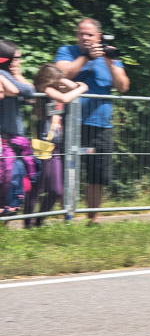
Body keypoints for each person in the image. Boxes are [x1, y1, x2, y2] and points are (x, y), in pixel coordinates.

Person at [54, 17, 130, 222]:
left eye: (89, 34)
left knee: (98, 173)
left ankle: (92, 219)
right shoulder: (67, 51)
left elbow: (123, 86)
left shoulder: (109, 56)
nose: (85, 37)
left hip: (101, 123)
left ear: (99, 36)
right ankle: (67, 216)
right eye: (81, 34)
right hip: (72, 122)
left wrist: (110, 61)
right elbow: (60, 74)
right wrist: (86, 57)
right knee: (69, 169)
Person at [27, 65, 86, 226]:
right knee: (38, 188)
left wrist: (64, 80)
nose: (61, 84)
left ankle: (39, 220)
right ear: (50, 80)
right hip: (43, 147)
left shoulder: (56, 90)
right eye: (58, 81)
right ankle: (28, 222)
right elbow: (66, 98)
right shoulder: (46, 91)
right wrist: (82, 88)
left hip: (56, 147)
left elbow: (72, 87)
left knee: (56, 190)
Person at [0, 41, 34, 217]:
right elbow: (26, 91)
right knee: (8, 180)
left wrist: (18, 75)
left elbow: (30, 94)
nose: (18, 62)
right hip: (5, 137)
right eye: (16, 59)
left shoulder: (6, 74)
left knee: (13, 179)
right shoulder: (2, 73)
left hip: (12, 138)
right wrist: (17, 78)